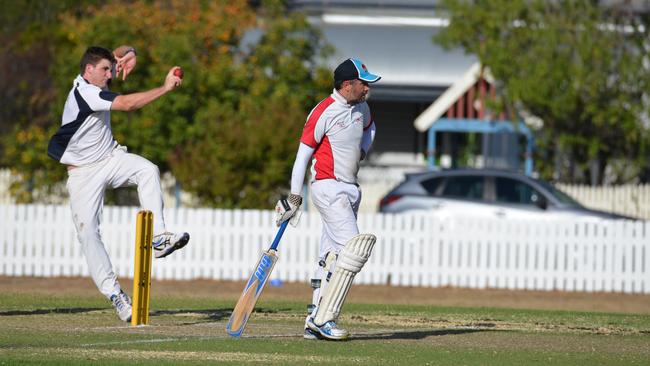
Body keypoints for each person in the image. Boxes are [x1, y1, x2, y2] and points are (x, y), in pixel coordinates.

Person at [47, 45, 190, 322]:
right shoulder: (86, 93)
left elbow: (118, 51)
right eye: (104, 70)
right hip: (82, 174)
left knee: (148, 170)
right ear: (88, 71)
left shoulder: (97, 74)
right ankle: (115, 294)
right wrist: (164, 88)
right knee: (88, 233)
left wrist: (130, 52)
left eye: (111, 69)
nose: (109, 74)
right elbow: (127, 104)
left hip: (109, 158)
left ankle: (158, 237)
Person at [275, 58, 381, 340]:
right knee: (354, 249)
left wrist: (362, 151)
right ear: (347, 85)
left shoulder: (362, 108)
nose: (367, 88)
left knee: (332, 256)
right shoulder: (324, 111)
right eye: (363, 83)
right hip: (327, 187)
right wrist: (295, 197)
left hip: (351, 188)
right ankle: (325, 319)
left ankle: (313, 319)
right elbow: (302, 156)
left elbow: (371, 128)